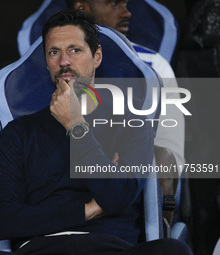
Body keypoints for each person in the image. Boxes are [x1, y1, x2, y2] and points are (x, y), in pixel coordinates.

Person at [0, 10, 192, 255]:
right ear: (46, 62)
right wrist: (89, 209)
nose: (64, 61)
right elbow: (3, 220)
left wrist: (76, 125)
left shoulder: (132, 123)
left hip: (111, 247)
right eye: (54, 52)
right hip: (43, 248)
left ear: (96, 56)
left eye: (75, 50)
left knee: (173, 250)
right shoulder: (19, 132)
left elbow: (116, 197)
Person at [66, 0, 186, 224]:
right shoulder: (52, 63)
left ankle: (156, 236)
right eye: (114, 4)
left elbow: (170, 151)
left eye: (126, 3)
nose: (127, 12)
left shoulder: (152, 64)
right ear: (82, 8)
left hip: (131, 173)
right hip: (63, 175)